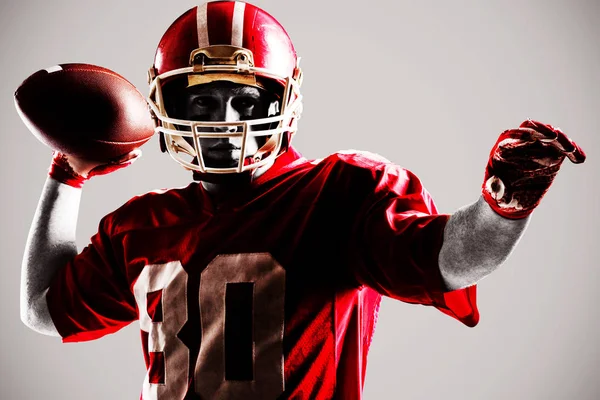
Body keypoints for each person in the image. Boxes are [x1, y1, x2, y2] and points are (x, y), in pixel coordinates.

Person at [19, 1, 586, 399]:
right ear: (164, 106)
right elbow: (44, 309)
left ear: (285, 101)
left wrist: (503, 206)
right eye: (203, 101)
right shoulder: (140, 224)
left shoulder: (339, 192)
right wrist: (67, 176)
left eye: (245, 99)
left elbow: (448, 262)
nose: (224, 120)